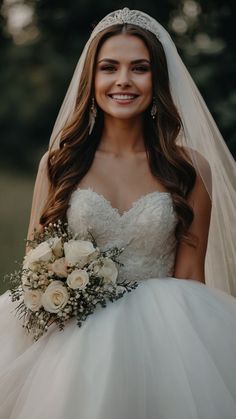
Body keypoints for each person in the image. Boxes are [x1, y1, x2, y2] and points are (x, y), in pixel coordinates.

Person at [0, 8, 236, 419]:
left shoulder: (190, 168)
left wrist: (181, 361)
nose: (123, 80)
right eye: (109, 67)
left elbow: (191, 276)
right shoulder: (59, 164)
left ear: (157, 80)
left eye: (139, 68)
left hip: (167, 337)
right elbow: (33, 269)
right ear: (92, 80)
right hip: (72, 342)